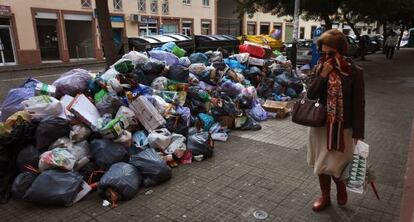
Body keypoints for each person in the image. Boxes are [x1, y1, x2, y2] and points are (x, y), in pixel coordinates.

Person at [306, 29, 365, 211]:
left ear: (341, 51)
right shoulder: (319, 67)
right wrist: (322, 75)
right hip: (320, 126)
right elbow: (310, 95)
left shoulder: (354, 72)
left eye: (330, 53)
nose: (326, 57)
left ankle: (340, 187)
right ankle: (325, 196)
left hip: (342, 128)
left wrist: (358, 133)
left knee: (338, 164)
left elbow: (359, 104)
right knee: (321, 164)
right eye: (323, 53)